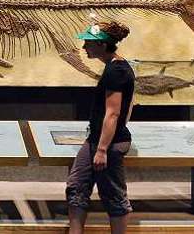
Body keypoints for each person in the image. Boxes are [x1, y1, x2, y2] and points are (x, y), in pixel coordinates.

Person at [66, 21, 135, 234]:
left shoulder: (117, 71)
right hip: (95, 140)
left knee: (113, 194)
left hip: (109, 144)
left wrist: (103, 149)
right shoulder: (112, 67)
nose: (84, 47)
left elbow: (113, 112)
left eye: (89, 43)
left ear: (103, 46)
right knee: (77, 186)